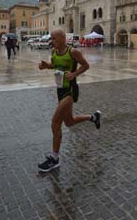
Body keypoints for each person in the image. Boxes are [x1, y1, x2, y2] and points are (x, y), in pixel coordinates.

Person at [38, 28, 101, 172]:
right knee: (69, 121)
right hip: (60, 89)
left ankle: (54, 158)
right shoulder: (54, 52)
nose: (51, 41)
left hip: (70, 90)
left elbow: (86, 65)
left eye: (54, 38)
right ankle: (94, 117)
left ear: (62, 38)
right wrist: (46, 66)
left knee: (55, 123)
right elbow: (55, 65)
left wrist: (74, 74)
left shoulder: (73, 52)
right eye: (51, 39)